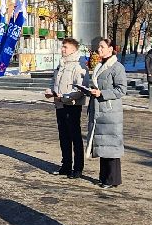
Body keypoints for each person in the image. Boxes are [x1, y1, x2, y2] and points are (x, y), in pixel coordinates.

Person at [84, 37, 127, 188]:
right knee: (102, 145)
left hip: (110, 111)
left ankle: (112, 179)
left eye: (102, 47)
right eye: (98, 47)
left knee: (111, 147)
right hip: (99, 110)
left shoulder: (117, 67)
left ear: (110, 49)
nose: (99, 49)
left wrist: (101, 93)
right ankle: (104, 177)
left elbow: (121, 90)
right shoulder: (99, 66)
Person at [44, 37, 85, 179]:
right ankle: (66, 165)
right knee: (63, 137)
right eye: (62, 46)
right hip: (59, 104)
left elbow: (80, 89)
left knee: (75, 137)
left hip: (72, 106)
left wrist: (65, 97)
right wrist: (50, 92)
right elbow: (53, 81)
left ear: (73, 49)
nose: (62, 49)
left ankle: (78, 168)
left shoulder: (78, 65)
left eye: (65, 47)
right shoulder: (60, 64)